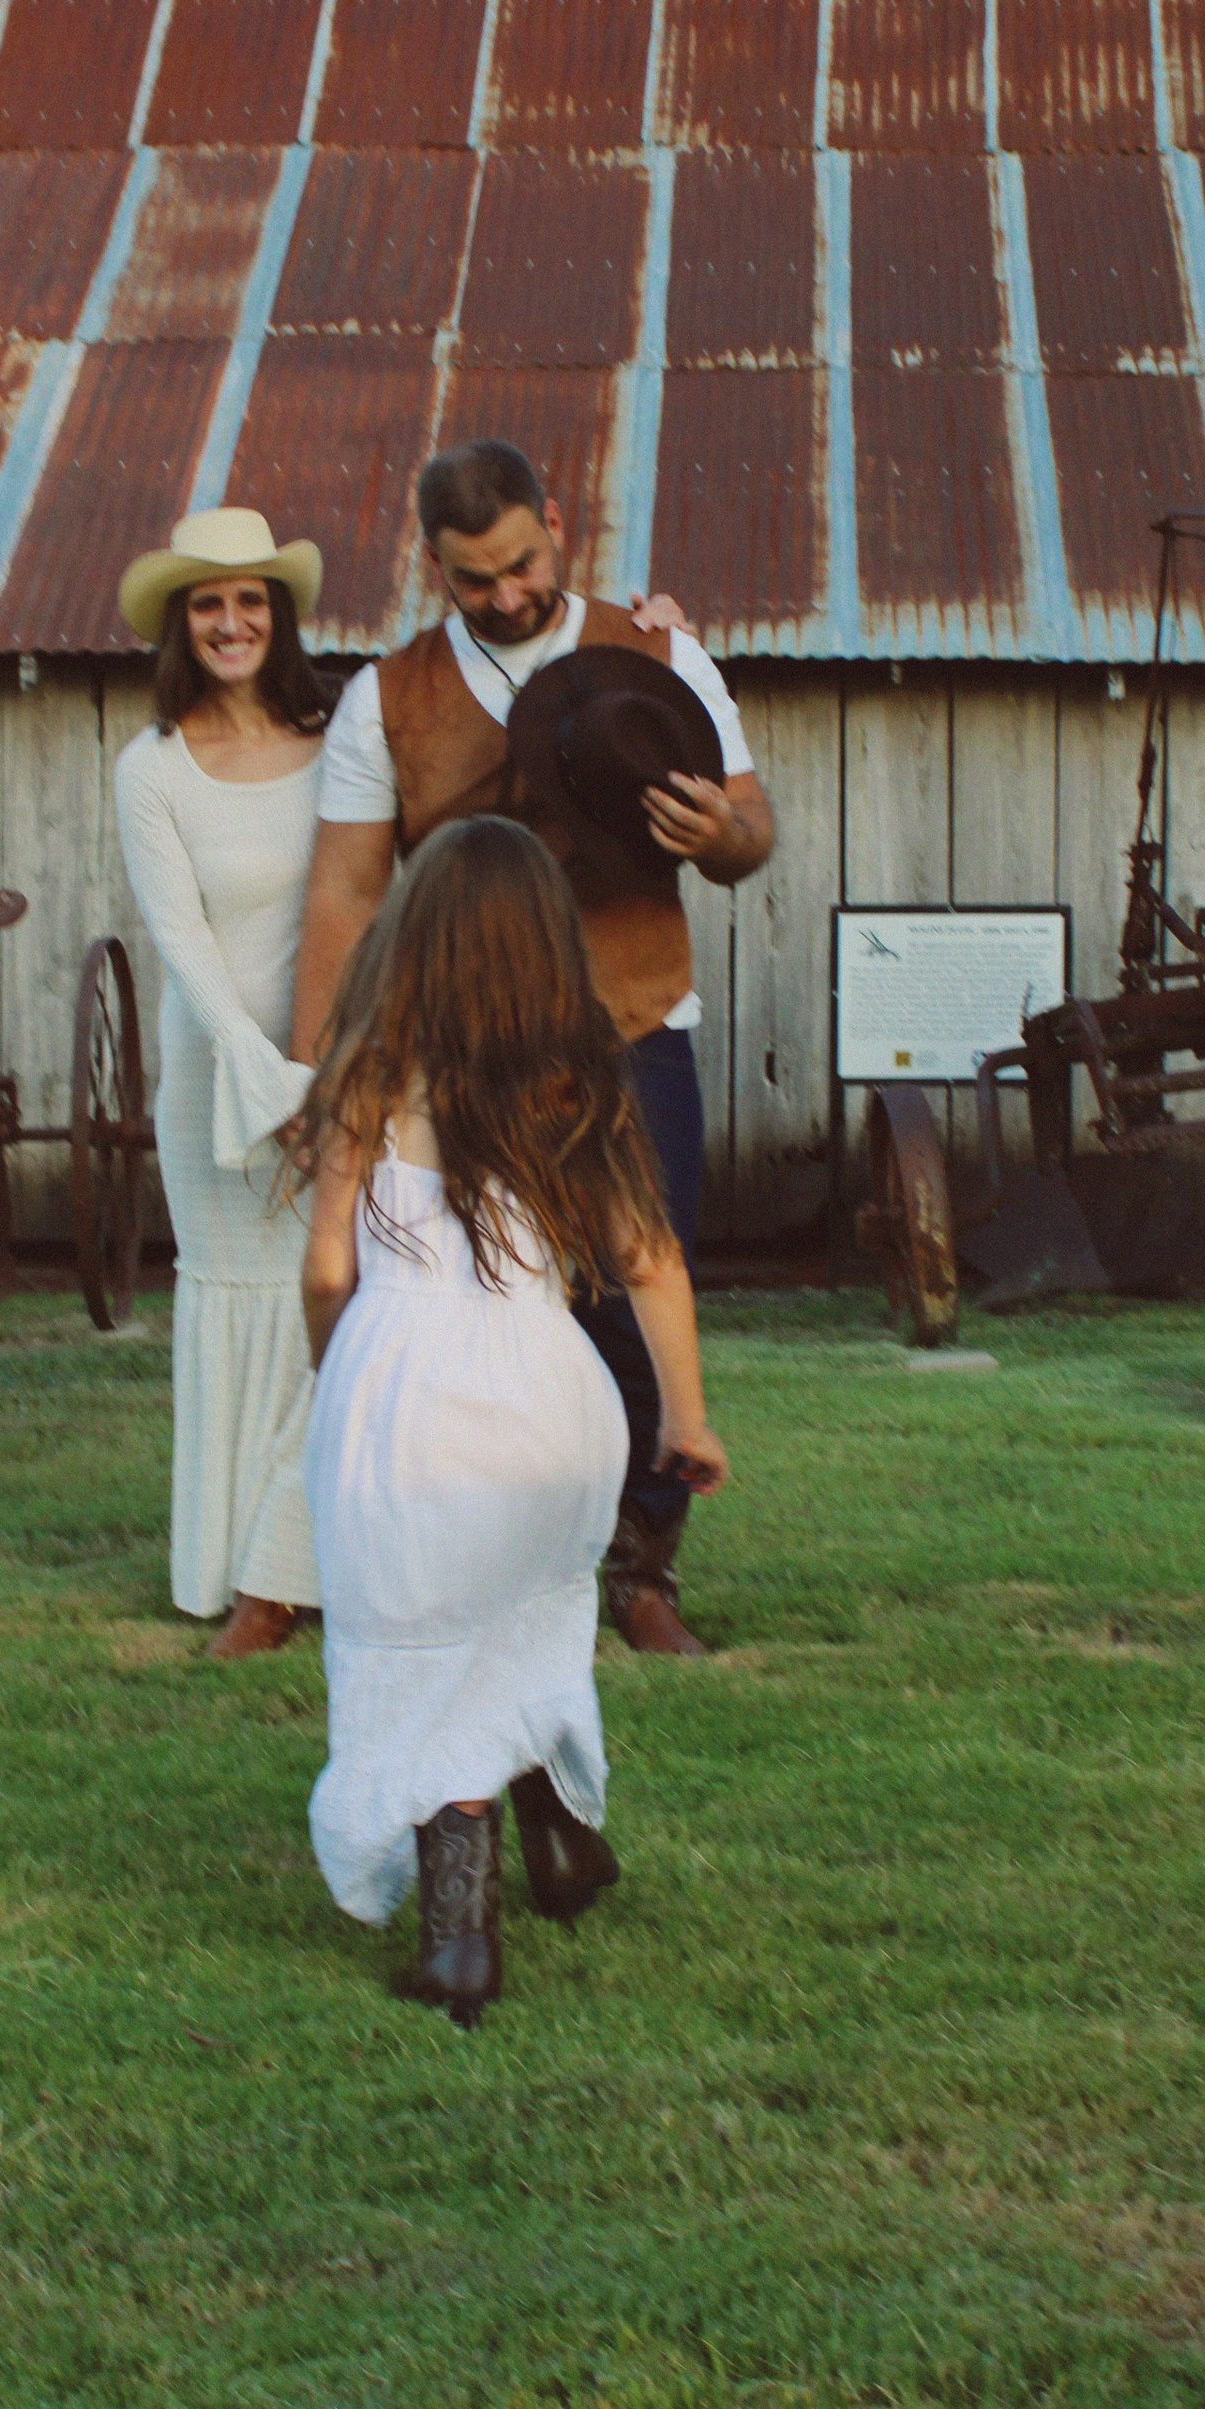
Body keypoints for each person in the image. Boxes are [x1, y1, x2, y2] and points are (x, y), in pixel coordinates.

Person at [290, 441, 772, 1657]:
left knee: (636, 1288)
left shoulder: (661, 654)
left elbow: (753, 832)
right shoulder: (384, 698)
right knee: (470, 1304)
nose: (506, 594)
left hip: (633, 1023)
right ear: (433, 567)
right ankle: (493, 1550)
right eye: (474, 579)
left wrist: (718, 834)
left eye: (521, 564)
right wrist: (318, 1072)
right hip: (456, 1051)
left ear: (555, 522)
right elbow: (345, 891)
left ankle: (643, 1566)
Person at [288, 815, 729, 2024]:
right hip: (551, 1405)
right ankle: (564, 1843)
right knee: (520, 1615)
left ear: (411, 937)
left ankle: (460, 1940)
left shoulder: (370, 1077)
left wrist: (337, 1372)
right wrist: (686, 1420)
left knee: (420, 1646)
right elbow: (651, 1261)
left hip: (412, 1398)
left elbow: (327, 1269)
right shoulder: (577, 1083)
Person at [111, 506, 328, 1658]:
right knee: (236, 1303)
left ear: (278, 616)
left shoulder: (341, 743)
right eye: (208, 604)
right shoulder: (150, 769)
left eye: (250, 600)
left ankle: (305, 1567)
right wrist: (264, 1084)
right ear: (181, 624)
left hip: (333, 1074)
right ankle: (232, 1572)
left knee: (325, 1303)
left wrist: (325, 1079)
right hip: (216, 1077)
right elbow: (183, 943)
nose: (231, 622)